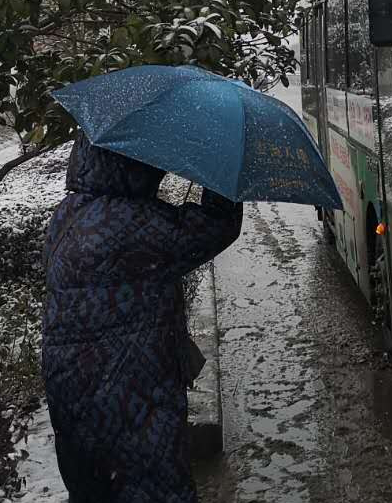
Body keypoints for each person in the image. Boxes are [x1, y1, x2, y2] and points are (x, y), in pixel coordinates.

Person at [42, 133, 243, 503]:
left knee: (94, 491)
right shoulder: (132, 224)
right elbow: (216, 225)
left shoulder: (67, 214)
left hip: (70, 387)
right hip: (130, 393)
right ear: (130, 165)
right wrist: (221, 163)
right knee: (153, 487)